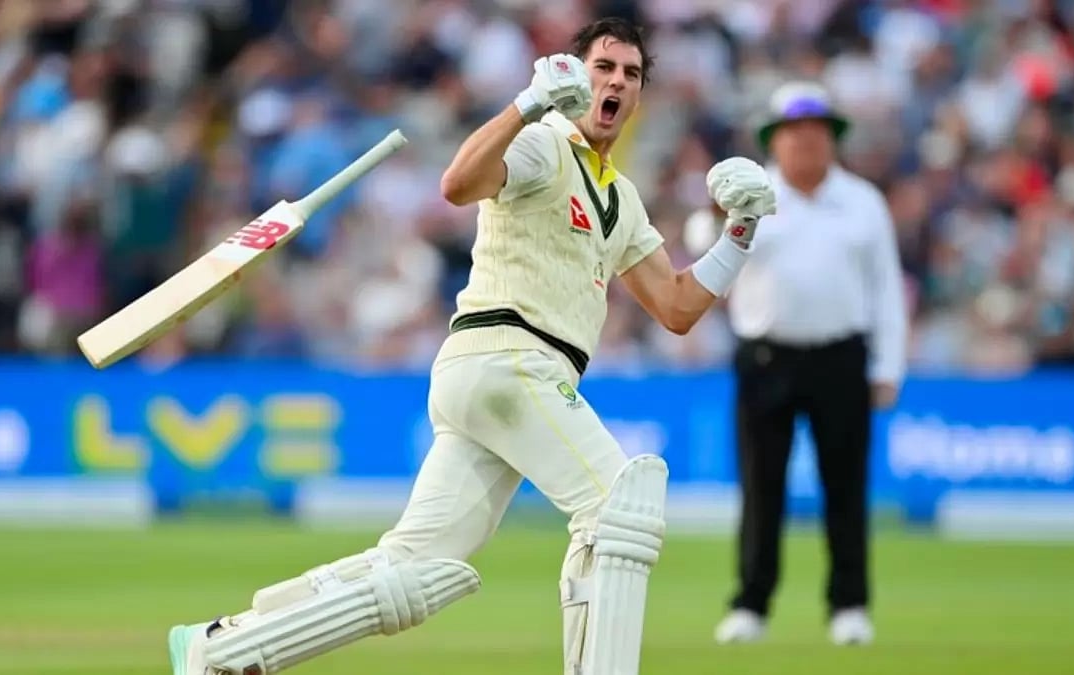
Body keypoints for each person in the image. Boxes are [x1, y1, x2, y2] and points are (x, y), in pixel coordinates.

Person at [167, 17, 777, 675]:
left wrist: (737, 235)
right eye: (605, 67)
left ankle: (223, 645)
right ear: (576, 74)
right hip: (509, 357)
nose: (618, 82)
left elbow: (678, 307)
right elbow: (457, 184)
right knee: (617, 508)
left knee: (413, 567)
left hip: (499, 377)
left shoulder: (621, 198)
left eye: (631, 74)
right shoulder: (545, 142)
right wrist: (527, 104)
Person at [711, 81, 908, 646]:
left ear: (832, 139)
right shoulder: (752, 194)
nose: (807, 144)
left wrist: (888, 365)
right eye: (796, 134)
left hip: (842, 357)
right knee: (761, 487)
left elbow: (886, 289)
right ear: (777, 140)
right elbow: (708, 252)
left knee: (845, 486)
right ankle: (751, 603)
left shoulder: (863, 200)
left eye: (818, 133)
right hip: (766, 357)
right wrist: (724, 212)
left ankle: (849, 604)